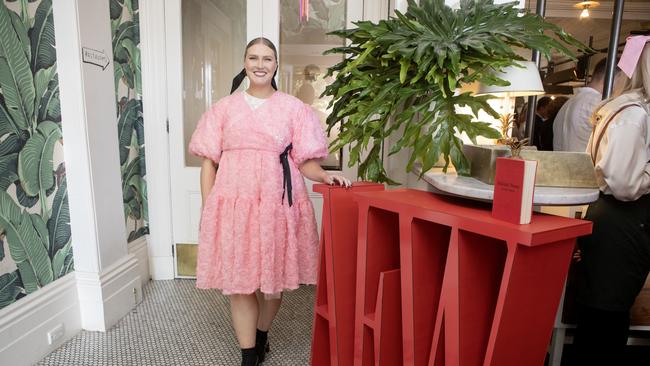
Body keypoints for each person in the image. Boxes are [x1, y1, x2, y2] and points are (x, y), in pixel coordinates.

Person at [188, 37, 351, 366]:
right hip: (233, 204)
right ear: (245, 62)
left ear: (276, 65)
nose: (260, 64)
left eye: (267, 58)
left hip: (276, 205)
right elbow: (209, 164)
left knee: (272, 287)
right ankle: (249, 356)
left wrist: (325, 176)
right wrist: (209, 210)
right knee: (240, 284)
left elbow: (304, 161)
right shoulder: (223, 108)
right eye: (253, 57)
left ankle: (262, 333)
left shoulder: (294, 108)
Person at [573, 36, 650, 365]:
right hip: (622, 222)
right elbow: (623, 183)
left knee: (600, 316)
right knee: (607, 317)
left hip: (611, 220)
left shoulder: (620, 108)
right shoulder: (634, 114)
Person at [553, 58, 611, 152]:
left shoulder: (567, 104)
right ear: (610, 79)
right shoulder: (598, 103)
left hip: (564, 164)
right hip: (586, 166)